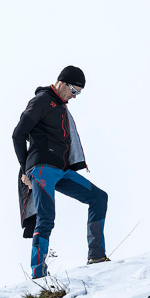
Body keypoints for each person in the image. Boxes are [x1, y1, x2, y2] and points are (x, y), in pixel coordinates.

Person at [12, 66, 108, 279]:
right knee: (46, 218)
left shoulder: (61, 107)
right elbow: (18, 135)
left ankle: (97, 256)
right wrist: (25, 169)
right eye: (74, 91)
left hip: (62, 170)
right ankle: (38, 273)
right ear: (63, 83)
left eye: (79, 94)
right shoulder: (42, 101)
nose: (75, 97)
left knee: (99, 197)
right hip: (42, 168)